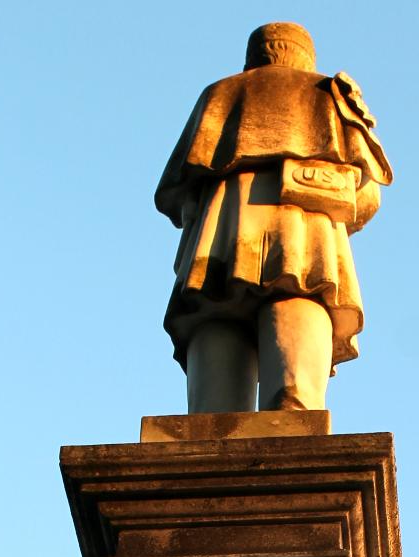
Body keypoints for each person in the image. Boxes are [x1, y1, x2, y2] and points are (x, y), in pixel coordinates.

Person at [155, 22, 393, 414]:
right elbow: (367, 194)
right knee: (299, 290)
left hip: (225, 216)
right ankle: (293, 402)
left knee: (216, 306)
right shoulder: (330, 95)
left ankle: (212, 414)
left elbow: (179, 194)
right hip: (305, 219)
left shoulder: (220, 92)